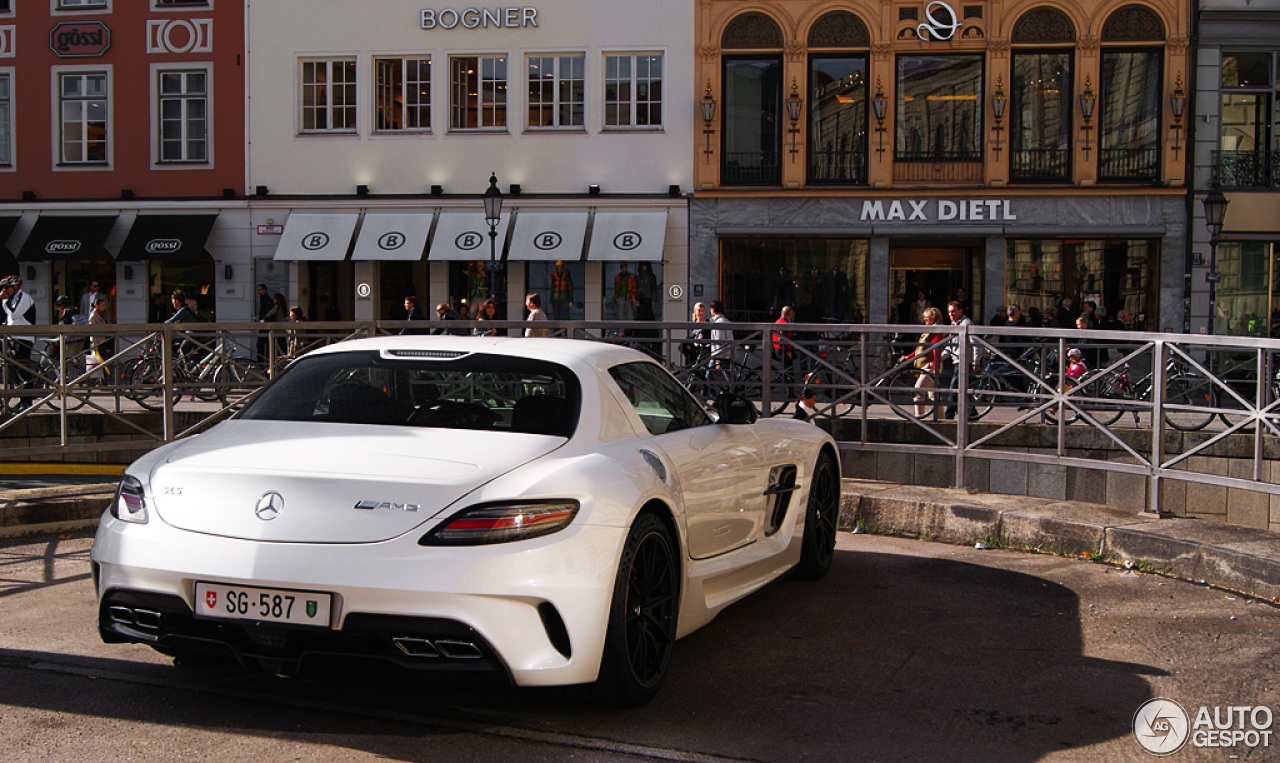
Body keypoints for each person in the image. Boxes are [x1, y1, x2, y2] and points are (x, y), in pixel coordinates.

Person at [901, 306, 945, 418]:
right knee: (934, 395)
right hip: (927, 366)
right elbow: (920, 349)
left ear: (933, 318)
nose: (924, 320)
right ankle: (941, 419)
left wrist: (935, 365)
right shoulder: (929, 330)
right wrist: (909, 357)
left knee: (918, 392)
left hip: (929, 366)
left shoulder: (935, 331)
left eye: (927, 318)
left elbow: (936, 349)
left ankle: (919, 418)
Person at [1, 275, 36, 408]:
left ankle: (28, 401)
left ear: (15, 286)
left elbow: (15, 315)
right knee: (13, 368)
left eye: (7, 288)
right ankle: (22, 398)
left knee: (23, 368)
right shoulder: (11, 300)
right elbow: (9, 320)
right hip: (13, 338)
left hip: (24, 338)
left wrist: (3, 302)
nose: (5, 290)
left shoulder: (25, 298)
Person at [942, 300, 973, 419]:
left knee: (954, 387)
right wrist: (940, 359)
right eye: (949, 312)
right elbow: (950, 347)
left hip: (964, 360)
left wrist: (975, 361)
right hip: (957, 360)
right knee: (962, 388)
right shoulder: (953, 325)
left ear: (960, 311)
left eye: (954, 311)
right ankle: (971, 411)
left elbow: (975, 343)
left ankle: (949, 413)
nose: (951, 314)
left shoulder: (966, 323)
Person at [88, 296, 113, 375]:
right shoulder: (93, 316)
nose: (104, 307)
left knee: (104, 362)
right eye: (102, 305)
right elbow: (92, 332)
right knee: (99, 363)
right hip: (97, 343)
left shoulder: (101, 314)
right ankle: (99, 380)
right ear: (97, 306)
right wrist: (95, 346)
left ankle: (102, 380)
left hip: (102, 341)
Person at [682, 302, 709, 366]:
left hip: (704, 351)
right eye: (699, 310)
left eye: (702, 311)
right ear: (695, 311)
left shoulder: (707, 323)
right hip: (694, 350)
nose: (700, 313)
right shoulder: (693, 324)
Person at [255, 284, 274, 363]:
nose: (258, 291)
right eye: (258, 290)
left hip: (265, 326)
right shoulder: (263, 299)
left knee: (261, 345)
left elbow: (267, 313)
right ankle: (264, 361)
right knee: (264, 345)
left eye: (260, 289)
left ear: (264, 290)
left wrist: (264, 320)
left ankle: (261, 362)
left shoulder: (266, 300)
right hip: (264, 326)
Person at [709, 299, 731, 365]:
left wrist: (718, 360)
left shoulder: (718, 323)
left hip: (718, 357)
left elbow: (719, 342)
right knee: (727, 374)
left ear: (712, 309)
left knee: (709, 374)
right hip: (727, 355)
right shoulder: (727, 321)